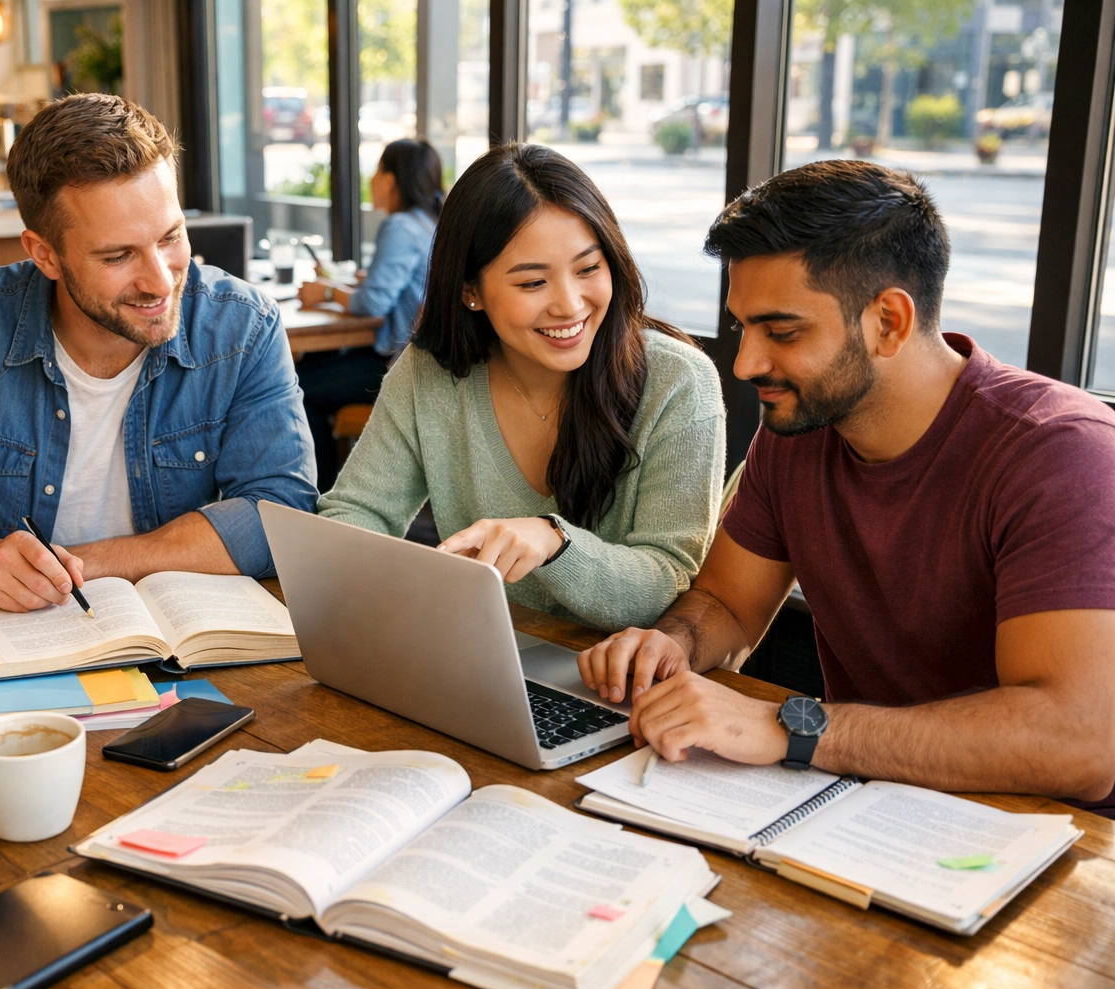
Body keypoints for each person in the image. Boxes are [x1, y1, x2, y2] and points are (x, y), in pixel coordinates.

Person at [577, 160, 1115, 814]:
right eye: (744, 327)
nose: (746, 363)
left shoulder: (1063, 454)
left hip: (1042, 840)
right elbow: (727, 604)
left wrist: (787, 728)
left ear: (888, 322)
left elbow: (1080, 745)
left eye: (782, 332)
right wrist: (673, 645)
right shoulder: (795, 432)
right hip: (859, 798)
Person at [0, 94, 315, 613]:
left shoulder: (244, 327)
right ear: (43, 253)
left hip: (180, 637)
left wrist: (85, 566)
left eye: (171, 237)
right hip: (5, 642)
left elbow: (278, 513)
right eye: (118, 256)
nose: (160, 281)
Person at [317, 143, 725, 630]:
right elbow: (357, 512)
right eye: (533, 283)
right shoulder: (432, 371)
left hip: (616, 679)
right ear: (470, 291)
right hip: (482, 658)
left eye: (589, 269)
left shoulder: (679, 381)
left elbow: (668, 583)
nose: (570, 305)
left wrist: (555, 543)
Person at [295, 138, 441, 489]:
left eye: (376, 172)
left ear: (390, 180)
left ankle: (320, 495)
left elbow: (374, 302)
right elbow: (400, 284)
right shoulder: (429, 221)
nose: (372, 181)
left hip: (397, 366)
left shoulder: (400, 226)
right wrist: (361, 280)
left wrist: (327, 291)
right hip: (426, 362)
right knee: (312, 369)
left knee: (297, 386)